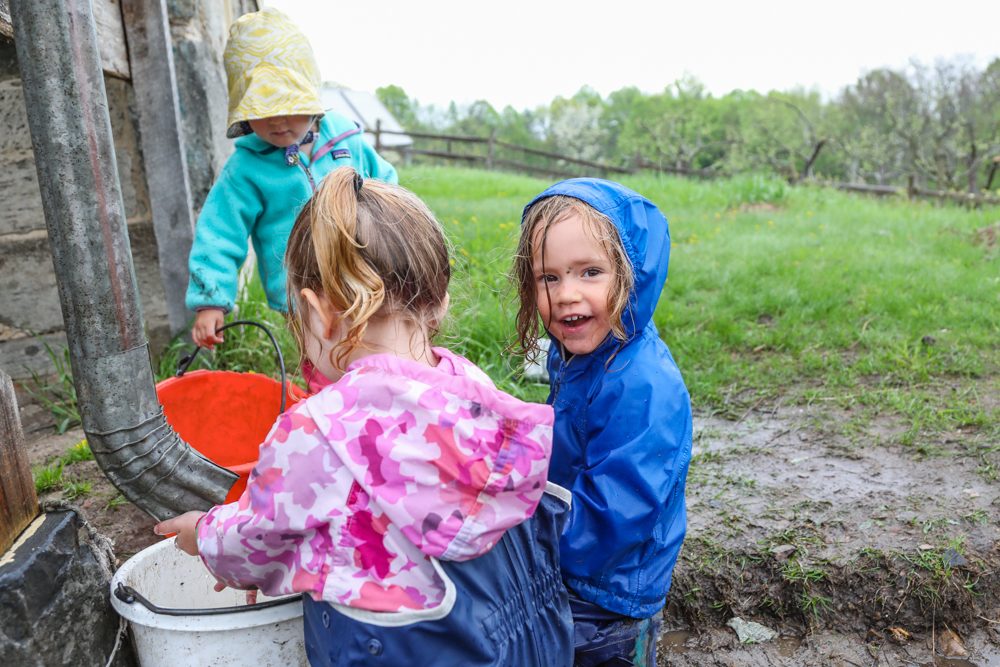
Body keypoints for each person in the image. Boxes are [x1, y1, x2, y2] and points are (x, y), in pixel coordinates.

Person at [158, 167, 574, 667]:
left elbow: (258, 536)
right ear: (439, 300)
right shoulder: (473, 387)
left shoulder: (317, 431)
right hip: (513, 641)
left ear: (317, 311)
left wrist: (203, 534)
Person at [510, 179, 693, 667]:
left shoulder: (643, 386)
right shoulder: (578, 352)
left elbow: (617, 515)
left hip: (610, 593)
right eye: (549, 278)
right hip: (572, 564)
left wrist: (520, 528)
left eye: (589, 272)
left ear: (632, 275)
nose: (567, 294)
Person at [186, 8, 397, 392]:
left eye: (288, 108)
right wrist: (211, 300)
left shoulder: (345, 142)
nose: (278, 122)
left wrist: (401, 248)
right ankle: (329, 409)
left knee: (379, 343)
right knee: (322, 355)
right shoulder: (247, 169)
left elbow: (389, 191)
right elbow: (220, 231)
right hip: (301, 290)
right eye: (263, 112)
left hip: (365, 270)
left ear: (310, 96)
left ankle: (381, 397)